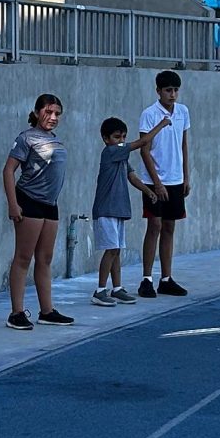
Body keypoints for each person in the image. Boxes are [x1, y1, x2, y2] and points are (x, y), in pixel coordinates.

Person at [3, 93, 75, 328]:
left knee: (45, 258)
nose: (53, 117)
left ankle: (47, 311)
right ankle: (16, 313)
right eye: (48, 112)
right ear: (36, 113)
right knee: (23, 257)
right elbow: (8, 170)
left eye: (57, 114)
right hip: (29, 200)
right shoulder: (26, 138)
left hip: (50, 204)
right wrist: (13, 204)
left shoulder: (54, 138)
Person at [90, 116, 159, 306]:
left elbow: (133, 177)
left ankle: (117, 288)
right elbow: (143, 142)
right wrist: (161, 124)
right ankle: (100, 291)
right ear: (106, 139)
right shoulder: (111, 152)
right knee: (111, 249)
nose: (121, 141)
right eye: (116, 137)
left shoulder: (121, 157)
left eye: (123, 137)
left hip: (118, 210)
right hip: (106, 210)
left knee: (116, 251)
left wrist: (148, 191)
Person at [137, 70, 192, 297]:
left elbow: (183, 145)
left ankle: (166, 278)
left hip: (175, 179)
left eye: (176, 90)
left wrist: (186, 177)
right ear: (158, 91)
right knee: (155, 225)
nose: (173, 94)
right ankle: (146, 279)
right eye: (168, 90)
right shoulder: (149, 114)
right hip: (154, 180)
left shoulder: (183, 112)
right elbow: (144, 150)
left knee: (170, 227)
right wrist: (157, 183)